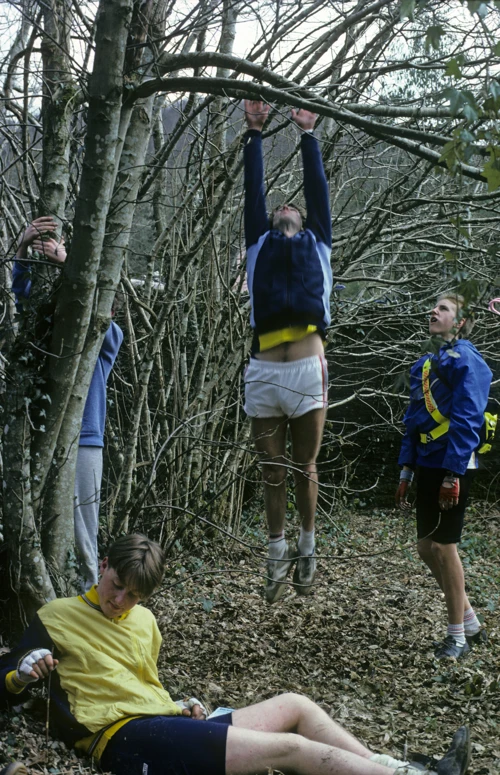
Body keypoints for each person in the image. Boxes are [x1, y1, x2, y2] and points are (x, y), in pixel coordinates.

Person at [0, 533, 470, 775]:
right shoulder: (57, 615)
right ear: (102, 566)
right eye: (115, 585)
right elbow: (8, 678)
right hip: (120, 738)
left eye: (133, 596)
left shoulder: (144, 622)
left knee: (296, 705)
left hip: (164, 722)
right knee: (291, 750)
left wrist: (180, 705)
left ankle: (403, 769)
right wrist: (23, 672)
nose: (119, 601)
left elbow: (142, 683)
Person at [242, 100, 332, 603]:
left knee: (305, 466)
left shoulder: (318, 243)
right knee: (271, 471)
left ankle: (307, 546)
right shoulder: (259, 244)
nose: (285, 207)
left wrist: (308, 134)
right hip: (262, 370)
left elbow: (317, 194)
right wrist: (254, 134)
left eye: (291, 207)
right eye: (280, 207)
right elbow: (251, 195)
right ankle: (275, 556)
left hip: (305, 366)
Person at [12, 216, 124, 591]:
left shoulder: (102, 342)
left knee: (82, 532)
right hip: (44, 434)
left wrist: (66, 262)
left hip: (86, 441)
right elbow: (25, 302)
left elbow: (106, 322)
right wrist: (23, 249)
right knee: (38, 528)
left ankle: (93, 599)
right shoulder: (49, 336)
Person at [395, 293, 492, 659]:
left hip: (454, 465)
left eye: (444, 309)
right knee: (425, 547)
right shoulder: (424, 364)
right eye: (435, 307)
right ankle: (468, 620)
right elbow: (413, 420)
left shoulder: (468, 360)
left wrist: (453, 472)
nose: (434, 311)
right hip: (427, 463)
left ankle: (457, 638)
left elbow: (468, 419)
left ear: (460, 322)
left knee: (442, 546)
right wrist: (406, 469)